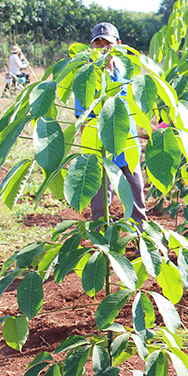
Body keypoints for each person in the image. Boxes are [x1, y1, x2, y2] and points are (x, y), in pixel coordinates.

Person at [74, 22, 147, 227]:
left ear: (118, 45)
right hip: (100, 151)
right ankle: (102, 250)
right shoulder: (86, 78)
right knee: (100, 208)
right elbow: (83, 120)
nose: (102, 48)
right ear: (92, 46)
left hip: (128, 148)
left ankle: (142, 247)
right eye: (98, 43)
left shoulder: (128, 75)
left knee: (137, 204)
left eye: (107, 43)